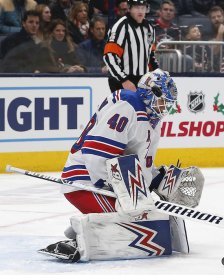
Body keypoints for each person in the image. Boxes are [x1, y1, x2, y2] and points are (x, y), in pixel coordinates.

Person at [37, 69, 203, 262]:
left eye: (168, 104)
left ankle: (82, 228)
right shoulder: (127, 104)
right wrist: (120, 192)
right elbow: (95, 153)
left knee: (146, 218)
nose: (164, 107)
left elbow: (140, 165)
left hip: (110, 182)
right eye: (162, 101)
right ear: (149, 91)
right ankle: (78, 242)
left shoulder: (152, 120)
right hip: (86, 181)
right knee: (135, 221)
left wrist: (158, 179)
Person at [103, 0, 159, 92]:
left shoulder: (149, 28)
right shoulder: (120, 27)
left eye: (143, 8)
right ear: (129, 8)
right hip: (121, 81)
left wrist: (157, 75)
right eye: (137, 7)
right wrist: (124, 80)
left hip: (143, 81)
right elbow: (109, 56)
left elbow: (150, 56)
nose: (140, 11)